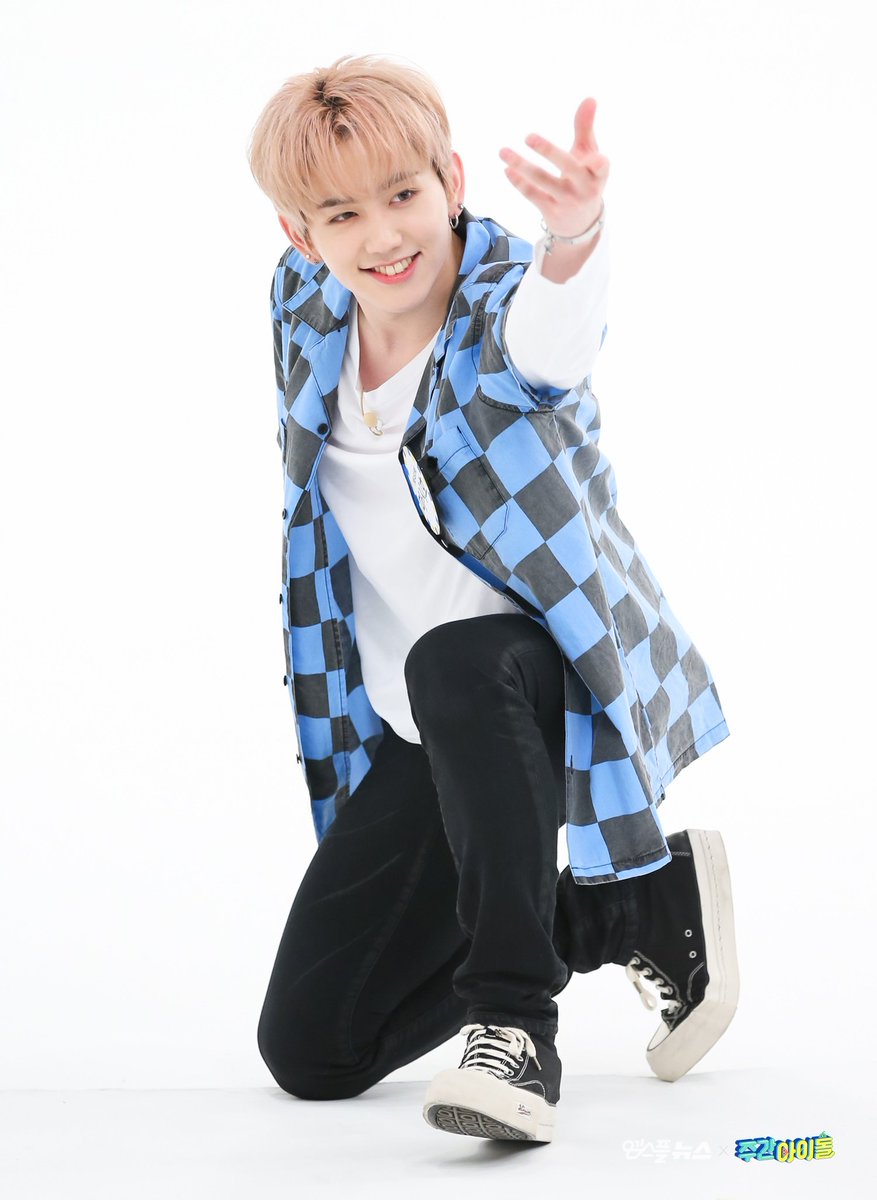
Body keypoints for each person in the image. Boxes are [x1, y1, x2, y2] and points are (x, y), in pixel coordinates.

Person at [246, 53, 738, 1144]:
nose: (384, 236)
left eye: (404, 194)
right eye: (342, 214)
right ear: (300, 236)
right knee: (313, 1051)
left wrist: (576, 235)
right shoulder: (304, 308)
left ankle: (513, 1030)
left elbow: (553, 344)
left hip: (545, 680)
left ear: (452, 180)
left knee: (457, 658)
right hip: (428, 723)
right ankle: (626, 909)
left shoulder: (505, 302)